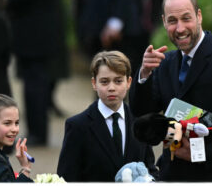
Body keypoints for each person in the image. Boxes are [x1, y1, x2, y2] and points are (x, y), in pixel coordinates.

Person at [129, 0, 212, 182]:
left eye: (186, 18)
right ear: (164, 22)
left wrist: (199, 154)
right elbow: (141, 110)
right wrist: (144, 74)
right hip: (171, 174)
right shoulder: (165, 63)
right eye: (172, 21)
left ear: (199, 16)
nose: (180, 28)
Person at [57, 50, 158, 182]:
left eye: (118, 81)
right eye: (104, 82)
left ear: (128, 82)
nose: (111, 88)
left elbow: (150, 169)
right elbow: (66, 178)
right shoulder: (78, 126)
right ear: (94, 83)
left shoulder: (140, 121)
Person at [6, 0, 69, 146]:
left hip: (34, 34)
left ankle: (37, 133)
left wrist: (8, 2)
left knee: (34, 86)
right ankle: (37, 131)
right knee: (37, 84)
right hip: (43, 31)